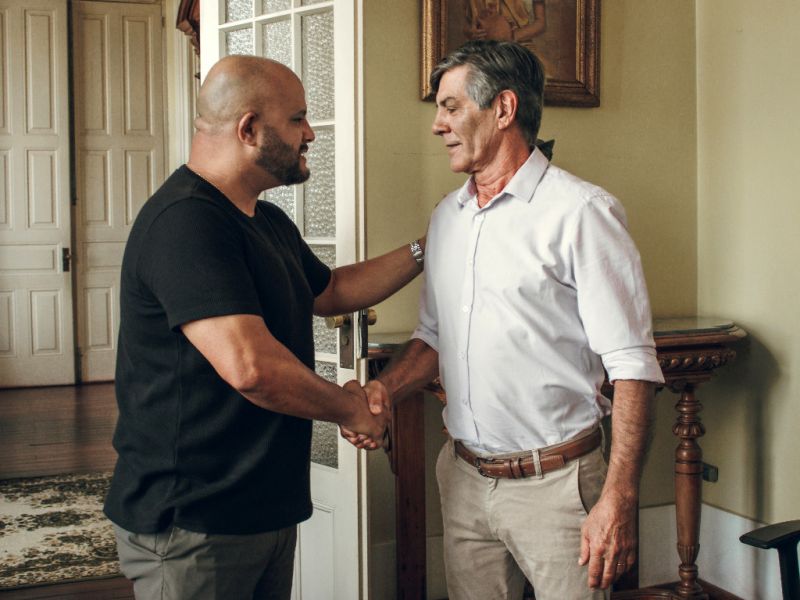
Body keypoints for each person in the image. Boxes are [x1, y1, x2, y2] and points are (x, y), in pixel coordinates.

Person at [345, 40, 664, 599]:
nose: (438, 125)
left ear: (504, 109)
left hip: (559, 488)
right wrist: (383, 392)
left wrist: (619, 497)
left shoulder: (582, 212)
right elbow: (433, 338)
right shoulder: (447, 218)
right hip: (464, 481)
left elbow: (633, 367)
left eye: (451, 107)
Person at [104, 55, 423, 599]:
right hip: (194, 520)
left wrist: (428, 247)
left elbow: (332, 290)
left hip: (262, 507)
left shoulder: (264, 219)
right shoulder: (185, 222)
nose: (310, 134)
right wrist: (350, 409)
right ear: (249, 129)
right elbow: (251, 367)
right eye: (297, 119)